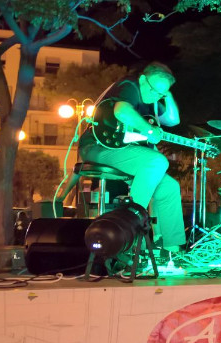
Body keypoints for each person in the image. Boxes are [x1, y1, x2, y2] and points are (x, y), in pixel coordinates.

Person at [79, 62, 185, 255]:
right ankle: (131, 232)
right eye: (153, 89)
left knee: (170, 187)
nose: (154, 95)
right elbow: (121, 110)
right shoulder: (131, 85)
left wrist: (166, 94)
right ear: (143, 79)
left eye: (160, 93)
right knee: (157, 161)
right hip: (98, 147)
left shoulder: (154, 98)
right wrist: (149, 129)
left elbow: (173, 120)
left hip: (123, 151)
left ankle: (171, 251)